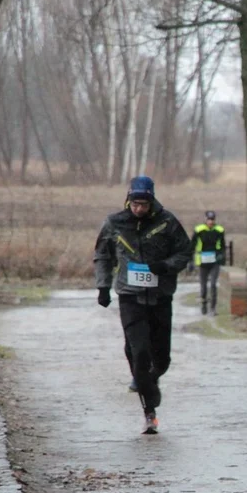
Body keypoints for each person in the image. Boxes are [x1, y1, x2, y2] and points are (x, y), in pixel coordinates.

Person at [94, 176, 192, 434]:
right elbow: (102, 255)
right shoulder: (114, 223)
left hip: (160, 297)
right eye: (135, 204)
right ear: (129, 200)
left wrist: (166, 266)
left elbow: (185, 251)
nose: (139, 209)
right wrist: (103, 287)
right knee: (139, 353)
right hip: (129, 296)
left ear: (152, 202)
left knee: (161, 358)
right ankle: (149, 411)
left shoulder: (167, 222)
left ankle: (151, 379)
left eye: (144, 205)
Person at [190, 210, 226, 315]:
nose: (211, 222)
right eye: (209, 219)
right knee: (204, 286)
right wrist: (190, 261)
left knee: (214, 284)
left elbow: (222, 245)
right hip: (202, 261)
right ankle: (204, 304)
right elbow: (192, 246)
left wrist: (221, 256)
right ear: (205, 220)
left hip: (215, 261)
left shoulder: (219, 230)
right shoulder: (199, 230)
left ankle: (213, 308)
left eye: (212, 220)